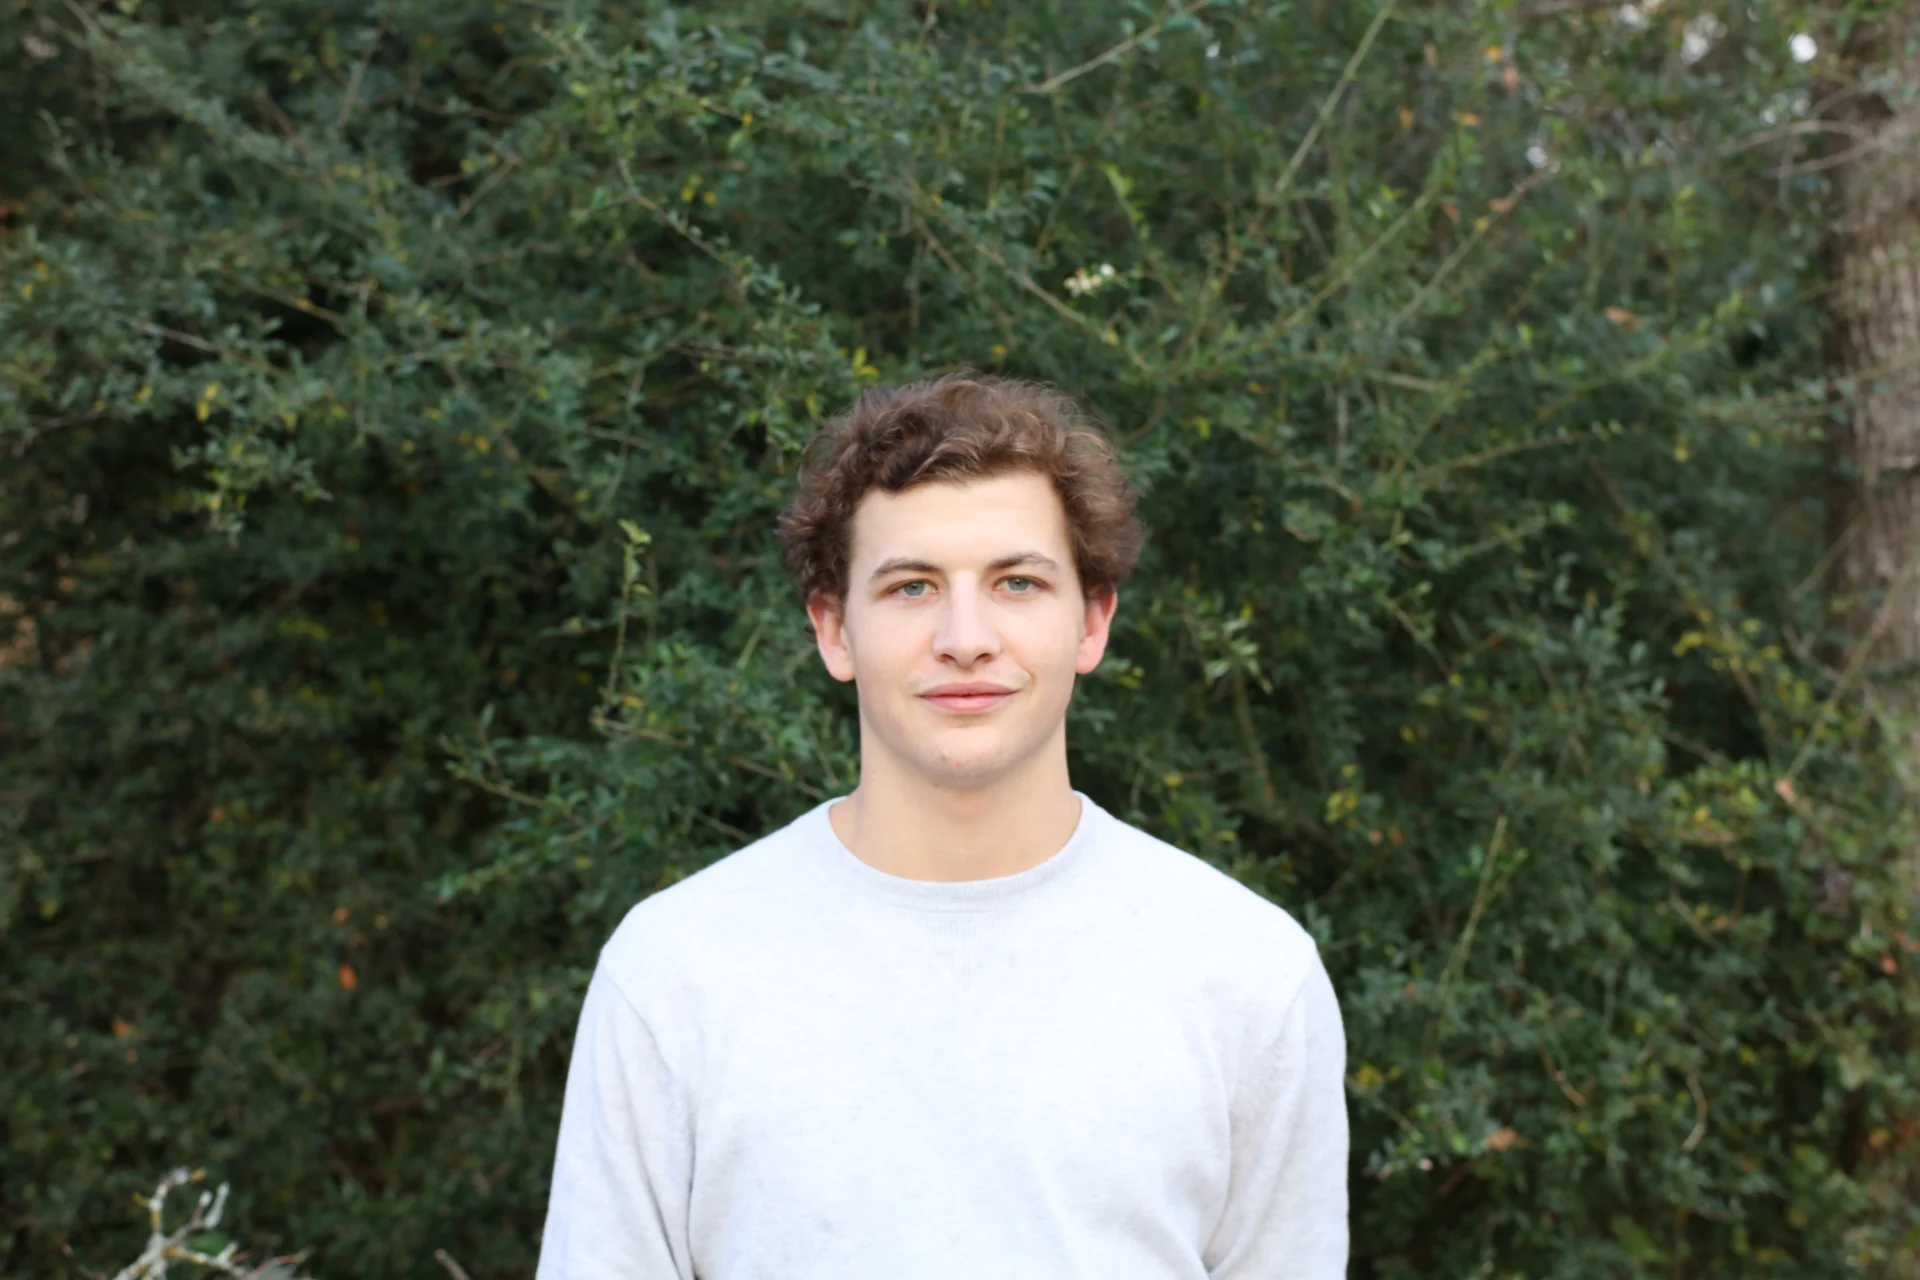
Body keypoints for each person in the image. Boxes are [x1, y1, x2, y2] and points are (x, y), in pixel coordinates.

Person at [535, 372, 1349, 1279]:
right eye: (913, 587)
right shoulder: (674, 973)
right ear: (833, 629)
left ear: (1092, 622)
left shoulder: (1247, 974)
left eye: (1017, 582)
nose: (966, 637)